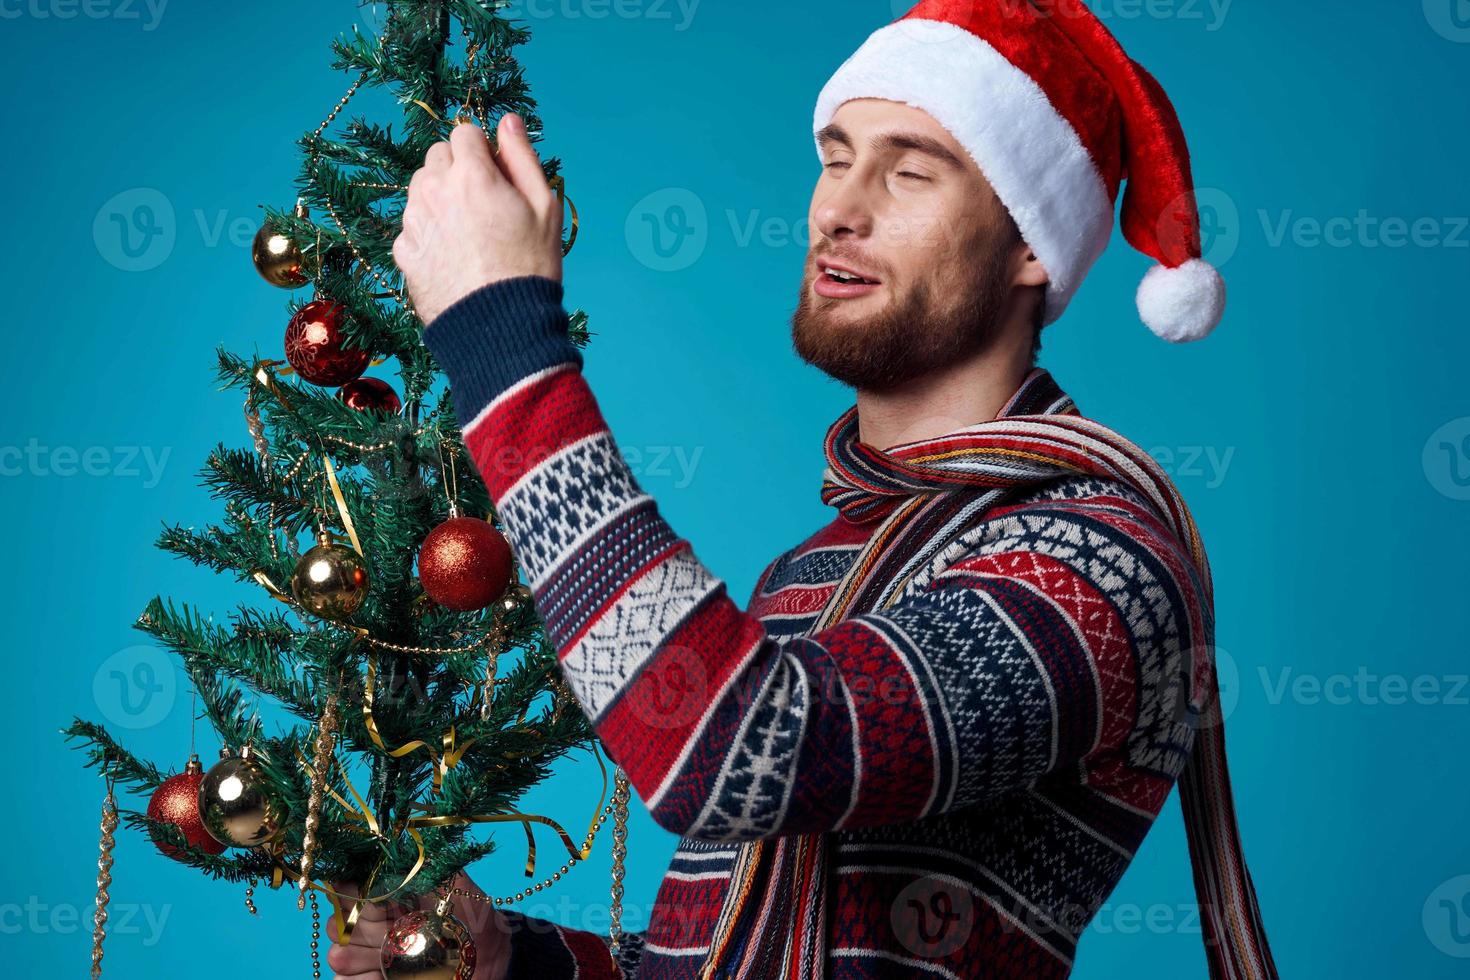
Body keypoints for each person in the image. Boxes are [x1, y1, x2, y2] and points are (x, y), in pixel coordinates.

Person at [331, 2, 1276, 977]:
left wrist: (503, 341)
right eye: (835, 157)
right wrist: (510, 960)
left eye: (908, 171)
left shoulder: (1105, 558)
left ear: (1030, 242)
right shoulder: (816, 568)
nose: (839, 207)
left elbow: (731, 748)